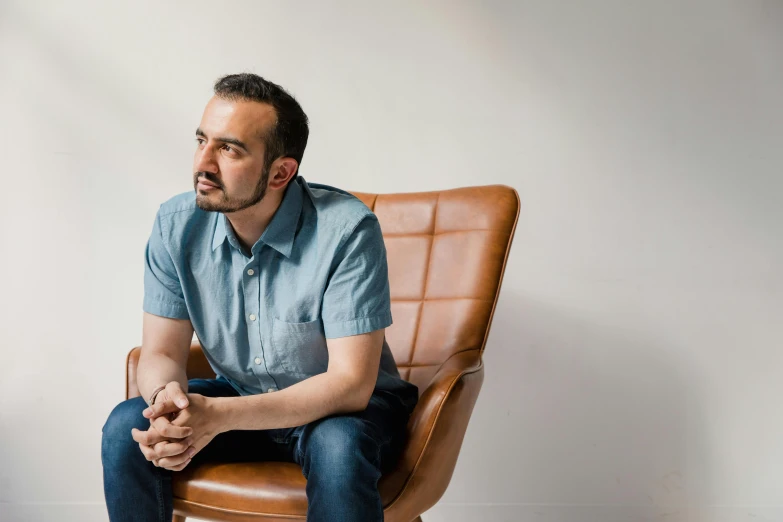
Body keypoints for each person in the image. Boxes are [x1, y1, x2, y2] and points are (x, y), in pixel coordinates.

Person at [101, 73, 419, 522]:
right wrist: (168, 404)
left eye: (229, 149)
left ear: (280, 172)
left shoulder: (347, 230)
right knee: (125, 426)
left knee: (338, 447)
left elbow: (349, 384)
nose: (203, 163)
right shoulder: (176, 226)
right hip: (241, 395)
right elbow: (159, 352)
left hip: (344, 411)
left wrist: (221, 416)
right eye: (201, 141)